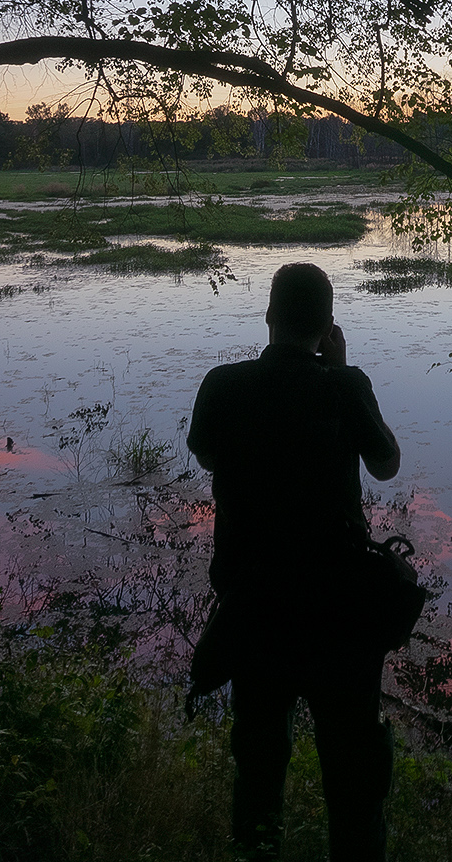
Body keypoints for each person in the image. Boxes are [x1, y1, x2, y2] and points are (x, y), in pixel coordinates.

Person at [186, 262, 403, 861]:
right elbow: (386, 464)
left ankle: (257, 850)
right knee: (353, 770)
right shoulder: (344, 385)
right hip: (339, 613)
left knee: (258, 766)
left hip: (255, 609)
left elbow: (205, 454)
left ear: (269, 317)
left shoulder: (222, 385)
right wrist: (338, 372)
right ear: (328, 324)